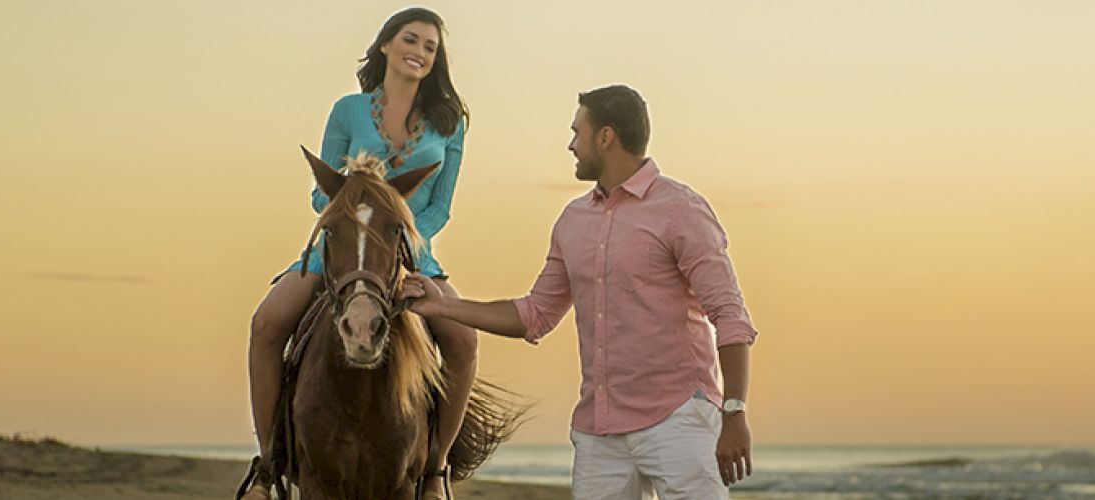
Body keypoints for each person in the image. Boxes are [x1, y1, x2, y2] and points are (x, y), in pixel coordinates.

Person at [400, 85, 760, 499]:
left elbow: (730, 315)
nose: (571, 144)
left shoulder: (682, 210)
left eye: (577, 132)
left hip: (679, 420)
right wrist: (442, 306)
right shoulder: (572, 221)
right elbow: (534, 315)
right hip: (599, 433)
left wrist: (734, 412)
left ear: (605, 137)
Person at [242, 7, 476, 500]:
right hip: (343, 246)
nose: (419, 52)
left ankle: (435, 471)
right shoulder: (347, 111)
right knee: (266, 324)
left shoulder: (449, 124)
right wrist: (351, 211)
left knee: (462, 340)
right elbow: (318, 196)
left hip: (410, 252)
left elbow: (440, 207)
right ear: (387, 45)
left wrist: (409, 247)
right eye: (411, 40)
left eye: (430, 47)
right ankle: (268, 465)